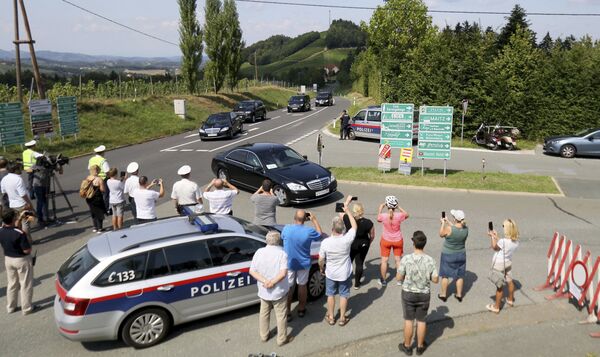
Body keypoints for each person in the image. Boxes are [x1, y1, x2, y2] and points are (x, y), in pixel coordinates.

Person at [397, 231, 439, 356]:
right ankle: (420, 347)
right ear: (424, 244)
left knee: (409, 320)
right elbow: (436, 280)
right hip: (424, 294)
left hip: (408, 293)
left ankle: (407, 346)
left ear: (413, 243)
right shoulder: (430, 260)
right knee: (421, 320)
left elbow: (399, 277)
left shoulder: (406, 259)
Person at [249, 231, 293, 346]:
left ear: (267, 240)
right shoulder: (282, 253)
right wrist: (272, 282)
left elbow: (252, 271)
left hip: (264, 290)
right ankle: (281, 339)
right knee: (281, 315)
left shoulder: (259, 252)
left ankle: (264, 336)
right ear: (279, 241)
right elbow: (283, 273)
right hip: (279, 291)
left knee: (264, 313)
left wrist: (265, 282)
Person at [281, 210, 322, 321]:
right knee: (302, 286)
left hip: (289, 263)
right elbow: (319, 234)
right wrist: (314, 219)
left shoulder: (286, 228)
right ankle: (301, 309)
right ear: (305, 219)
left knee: (289, 287)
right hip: (304, 263)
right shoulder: (309, 231)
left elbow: (282, 238)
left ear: (294, 218)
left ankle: (288, 312)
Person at [319, 204, 356, 326]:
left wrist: (321, 268)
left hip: (331, 272)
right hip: (344, 272)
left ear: (332, 228)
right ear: (343, 229)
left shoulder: (326, 242)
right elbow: (355, 226)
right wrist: (347, 212)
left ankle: (330, 317)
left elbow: (321, 259)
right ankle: (342, 318)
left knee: (330, 294)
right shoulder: (347, 239)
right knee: (344, 294)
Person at [0, 209, 36, 315]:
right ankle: (27, 308)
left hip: (8, 259)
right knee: (25, 284)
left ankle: (11, 307)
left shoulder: (1, 230)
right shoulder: (20, 233)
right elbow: (27, 250)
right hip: (21, 259)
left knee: (12, 283)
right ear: (12, 219)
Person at [486, 219, 520, 314]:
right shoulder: (516, 242)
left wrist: (492, 237)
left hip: (499, 264)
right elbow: (504, 244)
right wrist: (496, 237)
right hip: (508, 263)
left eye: (504, 226)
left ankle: (496, 307)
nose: (503, 227)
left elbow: (495, 247)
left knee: (499, 287)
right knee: (510, 281)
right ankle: (510, 299)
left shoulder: (503, 241)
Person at [341, 196, 375, 289]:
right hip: (363, 244)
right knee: (359, 263)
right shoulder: (368, 222)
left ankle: (345, 279)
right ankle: (357, 284)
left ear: (353, 210)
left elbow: (341, 212)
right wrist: (369, 243)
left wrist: (347, 201)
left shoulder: (348, 219)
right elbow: (372, 235)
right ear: (362, 210)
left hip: (351, 244)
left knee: (348, 262)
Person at [377, 195, 409, 286]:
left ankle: (383, 280)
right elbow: (407, 215)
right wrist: (399, 207)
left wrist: (380, 208)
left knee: (384, 261)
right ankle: (399, 280)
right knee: (398, 260)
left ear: (387, 206)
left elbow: (378, 218)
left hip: (386, 240)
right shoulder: (399, 215)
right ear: (395, 206)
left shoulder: (383, 216)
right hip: (398, 240)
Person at [438, 209, 469, 302]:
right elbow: (457, 229)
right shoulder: (466, 229)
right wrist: (448, 222)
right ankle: (459, 294)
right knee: (460, 275)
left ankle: (443, 294)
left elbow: (441, 234)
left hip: (448, 254)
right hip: (461, 254)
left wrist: (443, 223)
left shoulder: (449, 229)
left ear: (455, 219)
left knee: (445, 275)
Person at [1, 163, 34, 241]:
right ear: (15, 170)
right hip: (23, 204)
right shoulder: (18, 179)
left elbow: (3, 192)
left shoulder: (4, 179)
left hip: (13, 205)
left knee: (17, 221)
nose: (21, 170)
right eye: (19, 168)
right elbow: (23, 194)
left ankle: (18, 238)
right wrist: (29, 203)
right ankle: (27, 240)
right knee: (26, 223)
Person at [88, 145, 110, 213]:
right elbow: (107, 171)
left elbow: (89, 168)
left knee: (96, 194)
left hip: (93, 179)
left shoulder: (91, 159)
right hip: (102, 179)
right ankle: (106, 209)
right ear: (102, 152)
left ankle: (98, 208)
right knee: (105, 194)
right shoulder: (103, 160)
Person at [84, 165, 106, 233]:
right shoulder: (99, 179)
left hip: (89, 198)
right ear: (97, 171)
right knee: (99, 212)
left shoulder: (88, 178)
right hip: (97, 198)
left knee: (93, 212)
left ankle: (95, 227)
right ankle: (100, 228)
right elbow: (102, 190)